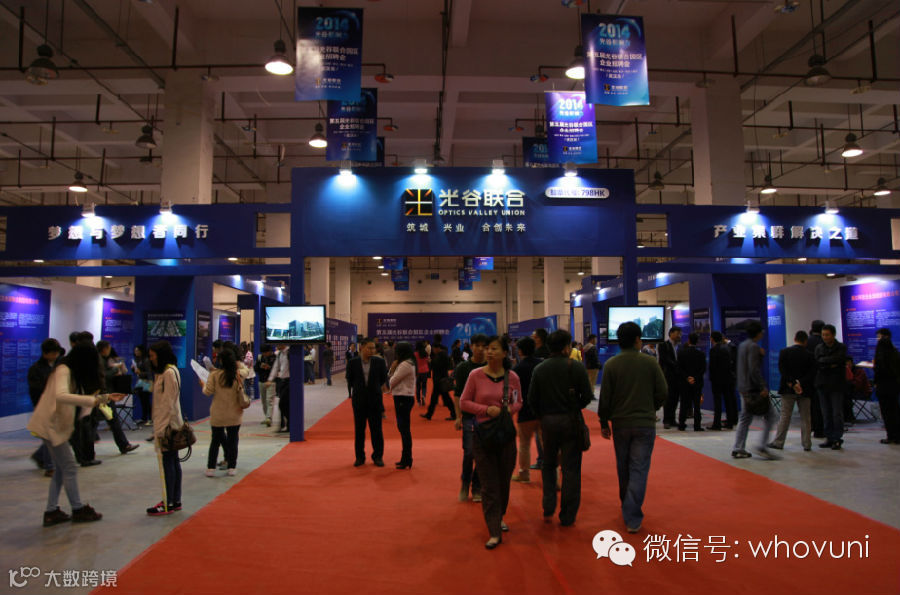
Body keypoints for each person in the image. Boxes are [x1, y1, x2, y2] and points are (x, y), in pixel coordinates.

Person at [27, 342, 124, 526]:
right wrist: (94, 400)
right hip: (51, 425)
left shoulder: (70, 371)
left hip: (54, 425)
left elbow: (74, 396)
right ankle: (77, 509)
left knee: (62, 469)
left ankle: (51, 511)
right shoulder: (64, 370)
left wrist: (105, 398)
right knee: (69, 467)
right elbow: (61, 395)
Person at [598, 321, 668, 534]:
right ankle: (632, 516)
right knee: (639, 468)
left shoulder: (611, 365)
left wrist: (603, 422)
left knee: (623, 467)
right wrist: (651, 407)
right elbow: (663, 391)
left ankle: (627, 506)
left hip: (621, 423)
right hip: (644, 423)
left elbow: (605, 397)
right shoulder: (650, 363)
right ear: (638, 339)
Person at [460, 336, 522, 549]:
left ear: (505, 353)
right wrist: (486, 410)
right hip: (483, 435)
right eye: (488, 348)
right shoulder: (475, 375)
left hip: (505, 436)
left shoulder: (512, 377)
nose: (489, 352)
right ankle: (494, 530)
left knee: (503, 481)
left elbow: (519, 401)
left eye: (494, 349)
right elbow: (464, 402)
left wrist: (508, 410)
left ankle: (499, 515)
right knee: (488, 484)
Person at [529, 330, 594, 526]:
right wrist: (574, 406)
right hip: (571, 421)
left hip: (548, 422)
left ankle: (548, 505)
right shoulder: (576, 367)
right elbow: (587, 396)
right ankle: (568, 515)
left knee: (548, 464)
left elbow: (532, 400)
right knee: (571, 468)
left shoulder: (540, 369)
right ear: (567, 347)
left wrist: (542, 416)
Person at [147, 340, 184, 516]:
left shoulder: (169, 373)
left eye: (153, 356)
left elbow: (168, 403)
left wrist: (160, 429)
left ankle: (169, 501)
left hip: (168, 425)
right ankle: (174, 500)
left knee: (169, 463)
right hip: (168, 423)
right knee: (173, 461)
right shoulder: (166, 372)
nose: (151, 359)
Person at [732, 321, 779, 460]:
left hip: (743, 387)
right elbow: (754, 369)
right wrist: (762, 386)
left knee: (745, 418)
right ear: (759, 333)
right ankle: (762, 446)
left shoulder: (742, 345)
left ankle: (738, 447)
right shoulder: (753, 347)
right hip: (753, 389)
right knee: (771, 416)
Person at [453, 334, 488, 503]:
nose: (480, 349)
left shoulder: (491, 367)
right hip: (468, 416)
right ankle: (465, 483)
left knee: (484, 455)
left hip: (487, 417)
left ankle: (477, 486)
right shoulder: (463, 368)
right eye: (477, 345)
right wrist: (457, 416)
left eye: (484, 346)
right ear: (471, 346)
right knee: (469, 452)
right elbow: (457, 394)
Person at [769, 330, 816, 451]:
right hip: (805, 389)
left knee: (785, 416)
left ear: (795, 339)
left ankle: (779, 442)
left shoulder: (784, 352)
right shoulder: (810, 355)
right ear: (805, 341)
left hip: (788, 388)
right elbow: (812, 373)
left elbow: (782, 370)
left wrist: (793, 383)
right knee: (806, 417)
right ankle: (807, 444)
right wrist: (800, 383)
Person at [201, 348, 245, 477]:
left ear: (220, 360)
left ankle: (211, 468)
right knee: (233, 441)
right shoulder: (237, 374)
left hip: (218, 413)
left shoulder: (214, 375)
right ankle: (232, 467)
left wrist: (202, 385)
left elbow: (207, 392)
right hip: (234, 413)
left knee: (215, 441)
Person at [346, 338, 389, 466]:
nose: (372, 350)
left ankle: (378, 456)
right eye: (369, 348)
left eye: (373, 348)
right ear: (362, 348)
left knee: (377, 430)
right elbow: (350, 379)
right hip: (359, 401)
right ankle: (360, 457)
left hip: (375, 400)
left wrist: (373, 388)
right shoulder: (353, 362)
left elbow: (383, 379)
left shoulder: (379, 362)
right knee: (359, 430)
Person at [95, 341, 140, 455]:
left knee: (112, 420)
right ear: (104, 349)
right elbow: (103, 375)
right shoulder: (99, 360)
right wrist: (115, 370)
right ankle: (123, 445)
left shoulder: (103, 359)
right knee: (109, 420)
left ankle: (124, 445)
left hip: (105, 395)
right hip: (104, 395)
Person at [27, 338, 63, 476]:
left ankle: (40, 456)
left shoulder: (59, 365)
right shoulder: (36, 369)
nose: (55, 355)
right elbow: (35, 390)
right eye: (53, 353)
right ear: (45, 353)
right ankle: (49, 466)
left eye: (56, 353)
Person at [512, 337, 541, 482]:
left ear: (520, 351)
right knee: (548, 446)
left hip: (525, 411)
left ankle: (524, 474)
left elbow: (514, 392)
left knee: (524, 444)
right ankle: (553, 477)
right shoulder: (542, 365)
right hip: (543, 411)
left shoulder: (517, 368)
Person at [814, 324, 847, 450]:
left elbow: (839, 360)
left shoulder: (841, 347)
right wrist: (830, 364)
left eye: (827, 335)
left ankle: (837, 438)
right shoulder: (819, 348)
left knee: (836, 413)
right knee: (826, 413)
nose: (825, 337)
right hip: (822, 384)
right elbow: (818, 362)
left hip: (836, 384)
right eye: (823, 335)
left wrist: (825, 362)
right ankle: (829, 437)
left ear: (833, 335)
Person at [388, 342, 416, 469]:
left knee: (404, 429)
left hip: (403, 398)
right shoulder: (408, 363)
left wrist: (392, 369)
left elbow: (392, 380)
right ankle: (406, 458)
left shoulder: (405, 364)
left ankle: (407, 458)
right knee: (403, 429)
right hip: (403, 398)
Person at [873, 328, 900, 444]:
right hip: (894, 386)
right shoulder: (895, 353)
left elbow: (879, 371)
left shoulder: (880, 356)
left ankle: (891, 435)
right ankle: (898, 436)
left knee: (886, 412)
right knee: (895, 410)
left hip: (883, 386)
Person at [708, 331, 738, 430]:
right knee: (728, 400)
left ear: (712, 339)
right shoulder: (727, 349)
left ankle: (717, 423)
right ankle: (730, 422)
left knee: (717, 402)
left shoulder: (713, 350)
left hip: (717, 379)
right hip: (727, 378)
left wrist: (711, 378)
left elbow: (712, 366)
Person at [677, 333, 706, 432]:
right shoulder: (701, 354)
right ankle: (697, 425)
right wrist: (695, 378)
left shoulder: (681, 353)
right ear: (697, 341)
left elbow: (679, 368)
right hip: (697, 383)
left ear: (688, 340)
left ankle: (681, 424)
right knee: (697, 405)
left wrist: (687, 377)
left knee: (684, 403)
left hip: (684, 383)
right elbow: (703, 369)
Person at [658, 326, 684, 429]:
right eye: (678, 333)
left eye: (680, 334)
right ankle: (667, 420)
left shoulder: (680, 346)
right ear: (671, 333)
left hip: (678, 376)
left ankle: (672, 419)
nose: (679, 336)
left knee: (675, 398)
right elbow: (665, 359)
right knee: (668, 399)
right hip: (668, 376)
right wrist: (676, 365)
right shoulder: (663, 345)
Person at [422, 341, 455, 421]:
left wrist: (431, 362)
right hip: (439, 380)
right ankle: (429, 414)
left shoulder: (442, 355)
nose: (433, 350)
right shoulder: (441, 355)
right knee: (438, 399)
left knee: (444, 399)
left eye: (433, 349)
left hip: (440, 380)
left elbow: (439, 366)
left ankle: (454, 413)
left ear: (437, 348)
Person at [806, 320, 826, 438]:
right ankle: (821, 428)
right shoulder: (823, 343)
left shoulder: (807, 341)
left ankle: (813, 426)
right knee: (821, 404)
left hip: (808, 378)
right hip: (822, 377)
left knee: (811, 405)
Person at [269, 344, 291, 432]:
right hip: (281, 381)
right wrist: (270, 379)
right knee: (283, 405)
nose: (276, 345)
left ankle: (290, 423)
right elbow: (276, 367)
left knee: (282, 404)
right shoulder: (279, 354)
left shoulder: (290, 353)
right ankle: (284, 425)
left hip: (289, 382)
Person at [131, 345, 154, 426]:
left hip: (147, 382)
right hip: (140, 381)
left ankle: (150, 418)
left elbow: (149, 373)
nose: (136, 352)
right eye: (135, 351)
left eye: (137, 351)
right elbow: (137, 371)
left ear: (141, 351)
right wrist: (133, 369)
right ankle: (144, 418)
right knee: (142, 401)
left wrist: (140, 373)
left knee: (146, 401)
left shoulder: (146, 360)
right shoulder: (137, 360)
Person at [255, 344, 276, 427]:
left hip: (271, 381)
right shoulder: (260, 357)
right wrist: (261, 366)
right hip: (261, 381)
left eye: (266, 352)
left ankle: (269, 418)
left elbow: (276, 369)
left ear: (270, 351)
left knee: (269, 400)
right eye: (263, 352)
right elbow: (255, 368)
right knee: (264, 401)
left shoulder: (275, 357)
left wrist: (269, 367)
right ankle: (266, 416)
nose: (264, 354)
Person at [414, 341, 430, 406]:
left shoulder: (415, 354)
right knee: (424, 385)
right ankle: (423, 395)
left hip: (417, 372)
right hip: (425, 371)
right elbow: (428, 361)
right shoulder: (425, 353)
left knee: (418, 387)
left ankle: (418, 401)